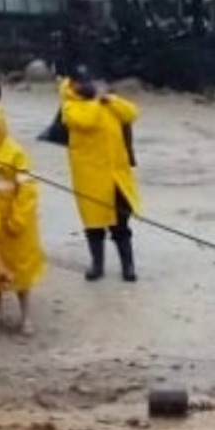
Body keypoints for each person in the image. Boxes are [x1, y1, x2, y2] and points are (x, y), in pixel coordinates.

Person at [60, 75, 141, 282]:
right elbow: (87, 121)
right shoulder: (70, 108)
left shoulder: (108, 103)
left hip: (116, 176)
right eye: (77, 83)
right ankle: (97, 264)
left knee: (121, 222)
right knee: (94, 224)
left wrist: (111, 99)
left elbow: (131, 113)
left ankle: (128, 266)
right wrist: (96, 100)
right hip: (90, 178)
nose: (84, 85)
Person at [0, 104, 45, 335]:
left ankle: (25, 316)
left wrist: (19, 218)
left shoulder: (15, 152)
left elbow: (28, 187)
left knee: (20, 272)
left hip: (13, 223)